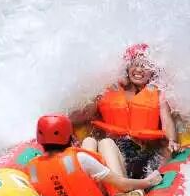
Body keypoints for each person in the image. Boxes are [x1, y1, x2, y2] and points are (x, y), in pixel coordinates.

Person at [69, 44, 182, 177]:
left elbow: (167, 121)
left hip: (141, 155)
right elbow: (86, 114)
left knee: (106, 144)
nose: (139, 69)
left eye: (144, 66)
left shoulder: (158, 94)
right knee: (92, 142)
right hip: (112, 153)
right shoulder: (108, 90)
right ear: (127, 67)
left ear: (153, 71)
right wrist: (65, 124)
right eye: (135, 65)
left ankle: (121, 191)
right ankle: (90, 185)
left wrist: (172, 141)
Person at [27, 114, 162, 196]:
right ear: (69, 137)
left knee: (89, 140)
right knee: (106, 143)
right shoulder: (80, 159)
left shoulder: (33, 167)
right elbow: (123, 184)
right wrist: (148, 181)